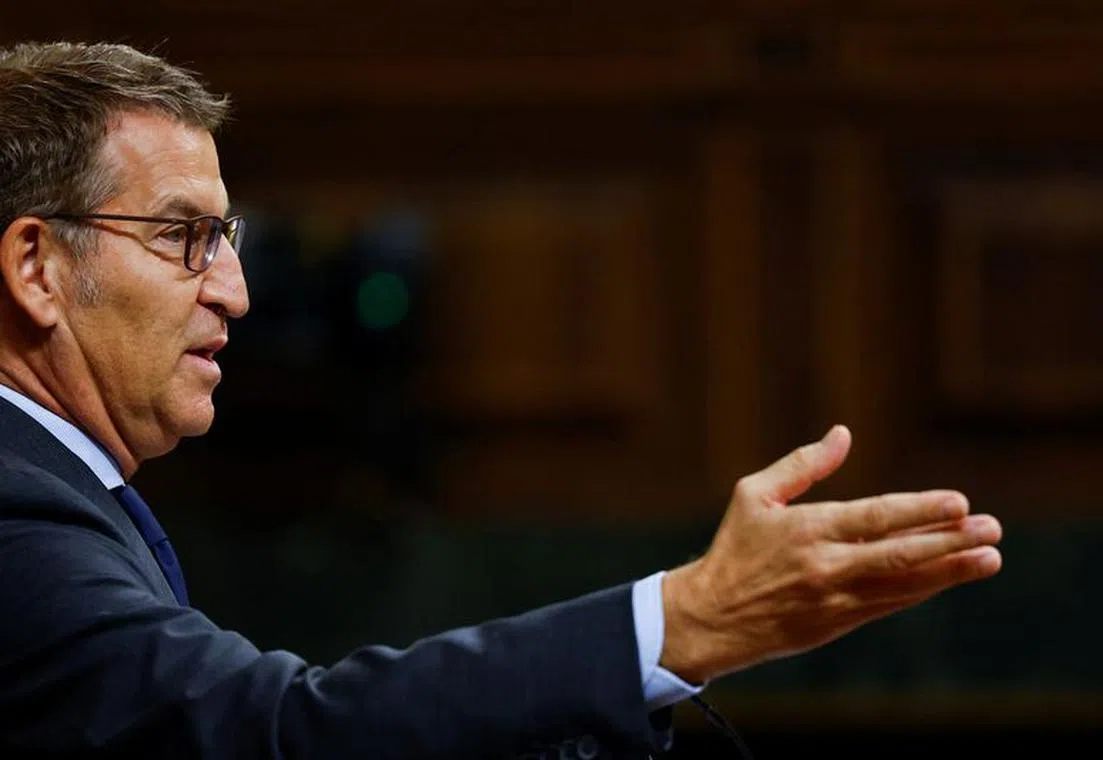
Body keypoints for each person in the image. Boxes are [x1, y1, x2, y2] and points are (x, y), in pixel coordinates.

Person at [0, 41, 1003, 759]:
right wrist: (680, 620)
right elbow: (277, 734)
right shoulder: (16, 503)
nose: (235, 290)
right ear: (38, 266)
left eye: (231, 239)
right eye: (185, 238)